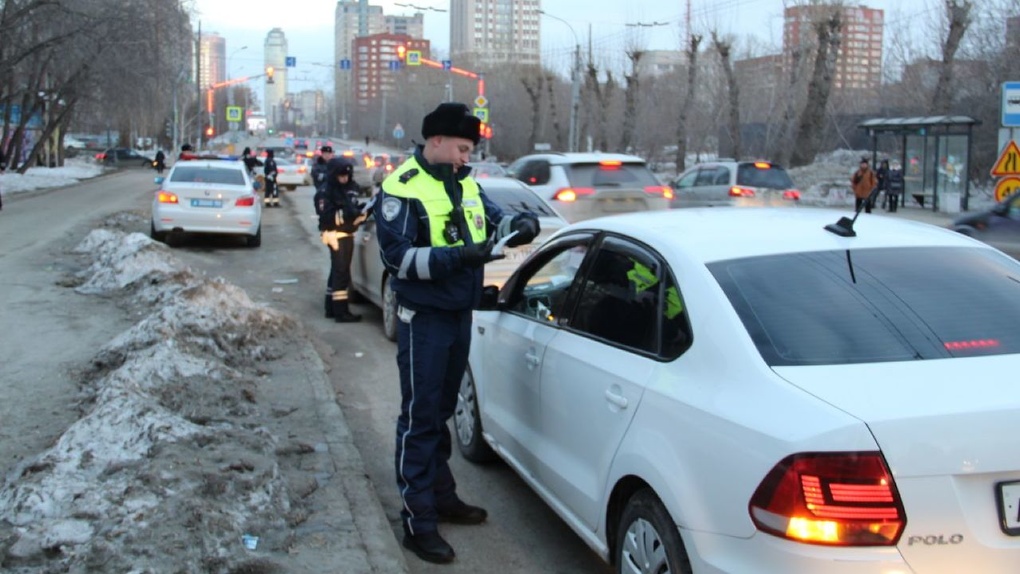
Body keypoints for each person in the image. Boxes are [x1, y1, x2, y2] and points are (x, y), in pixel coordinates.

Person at [374, 102, 540, 564]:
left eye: (470, 151)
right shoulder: (401, 188)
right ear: (437, 141)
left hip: (457, 314)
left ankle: (441, 496)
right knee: (420, 417)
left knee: (442, 411)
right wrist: (461, 258)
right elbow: (399, 260)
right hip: (423, 318)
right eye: (463, 149)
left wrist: (520, 224)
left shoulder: (464, 183)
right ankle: (417, 521)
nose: (467, 158)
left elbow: (491, 222)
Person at [319, 158, 366, 322]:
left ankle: (331, 308)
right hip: (336, 235)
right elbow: (326, 217)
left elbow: (350, 207)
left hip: (345, 234)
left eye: (347, 175)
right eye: (341, 176)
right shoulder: (327, 191)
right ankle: (341, 312)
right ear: (334, 175)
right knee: (341, 273)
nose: (345, 179)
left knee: (336, 273)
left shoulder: (346, 188)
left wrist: (359, 212)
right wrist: (349, 215)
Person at [312, 145, 338, 317]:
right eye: (326, 153)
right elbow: (319, 180)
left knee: (337, 265)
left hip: (334, 224)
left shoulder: (334, 166)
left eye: (330, 153)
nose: (328, 155)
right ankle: (331, 304)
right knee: (336, 264)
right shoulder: (318, 168)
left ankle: (333, 304)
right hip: (329, 224)